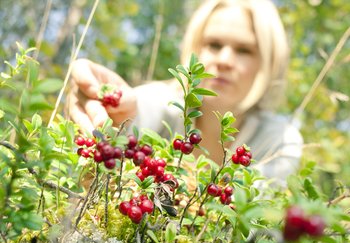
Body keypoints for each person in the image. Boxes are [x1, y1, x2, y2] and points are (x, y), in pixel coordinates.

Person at [67, 0, 303, 183]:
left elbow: (250, 225)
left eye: (244, 50)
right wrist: (112, 114)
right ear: (195, 48)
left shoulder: (279, 141)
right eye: (214, 44)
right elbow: (133, 115)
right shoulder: (163, 102)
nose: (225, 60)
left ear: (269, 63)